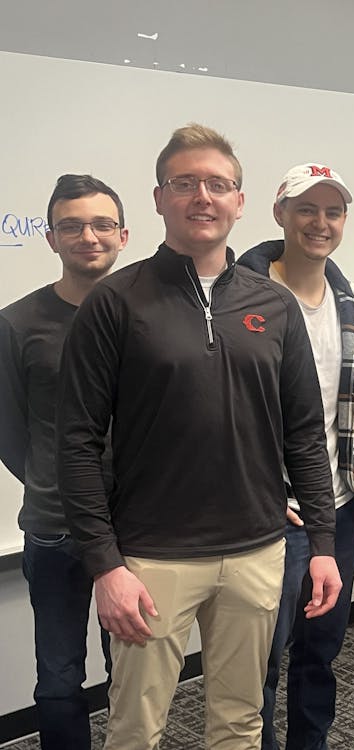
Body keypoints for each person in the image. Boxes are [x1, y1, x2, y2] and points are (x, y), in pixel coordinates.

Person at [56, 124, 342, 750]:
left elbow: (302, 435)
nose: (202, 197)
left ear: (240, 200)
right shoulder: (115, 303)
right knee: (135, 728)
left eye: (218, 184)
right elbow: (75, 443)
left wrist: (321, 542)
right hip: (151, 560)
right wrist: (106, 566)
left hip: (257, 554)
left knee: (240, 724)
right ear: (159, 198)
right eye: (185, 184)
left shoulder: (275, 305)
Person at [237, 163, 354, 750]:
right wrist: (262, 489)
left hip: (337, 506)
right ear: (279, 215)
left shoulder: (352, 306)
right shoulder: (238, 299)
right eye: (306, 209)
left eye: (332, 212)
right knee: (261, 657)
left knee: (322, 648)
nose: (319, 223)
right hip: (270, 511)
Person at [0, 174, 126, 749]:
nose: (88, 236)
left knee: (134, 672)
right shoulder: (17, 323)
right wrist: (57, 485)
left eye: (101, 224)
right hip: (53, 532)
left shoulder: (141, 317)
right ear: (51, 238)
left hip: (135, 526)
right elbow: (9, 430)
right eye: (71, 225)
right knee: (58, 680)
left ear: (123, 234)